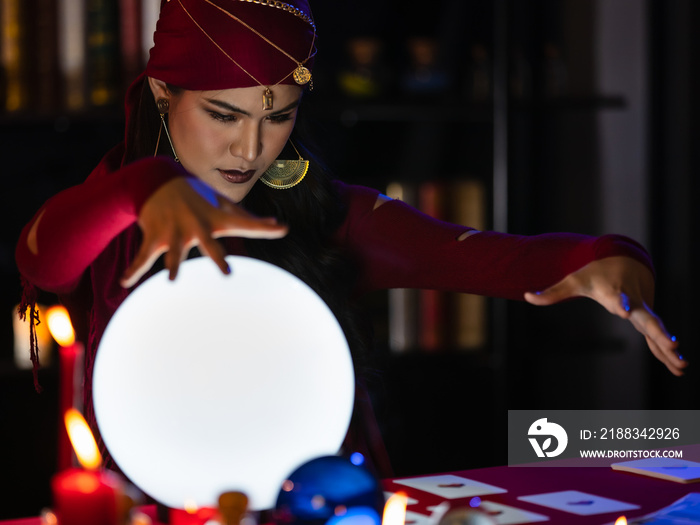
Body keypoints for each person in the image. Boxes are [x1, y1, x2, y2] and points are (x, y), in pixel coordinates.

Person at [15, 0, 684, 480]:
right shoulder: (108, 208)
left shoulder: (329, 218)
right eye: (224, 113)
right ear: (165, 93)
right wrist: (144, 189)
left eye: (277, 117)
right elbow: (43, 258)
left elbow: (490, 257)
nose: (250, 147)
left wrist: (604, 259)